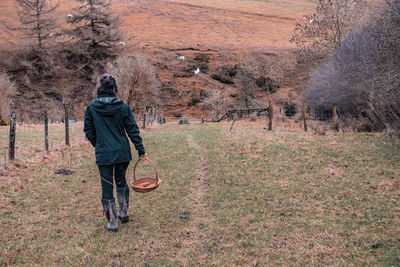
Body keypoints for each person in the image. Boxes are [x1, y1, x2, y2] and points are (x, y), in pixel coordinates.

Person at [84, 73, 147, 232]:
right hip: (122, 152)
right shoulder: (123, 106)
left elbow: (89, 131)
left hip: (104, 153)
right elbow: (132, 129)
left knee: (107, 185)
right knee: (121, 180)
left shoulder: (91, 108)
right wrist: (141, 150)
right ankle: (124, 212)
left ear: (100, 88)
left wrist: (98, 144)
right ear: (114, 88)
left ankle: (112, 222)